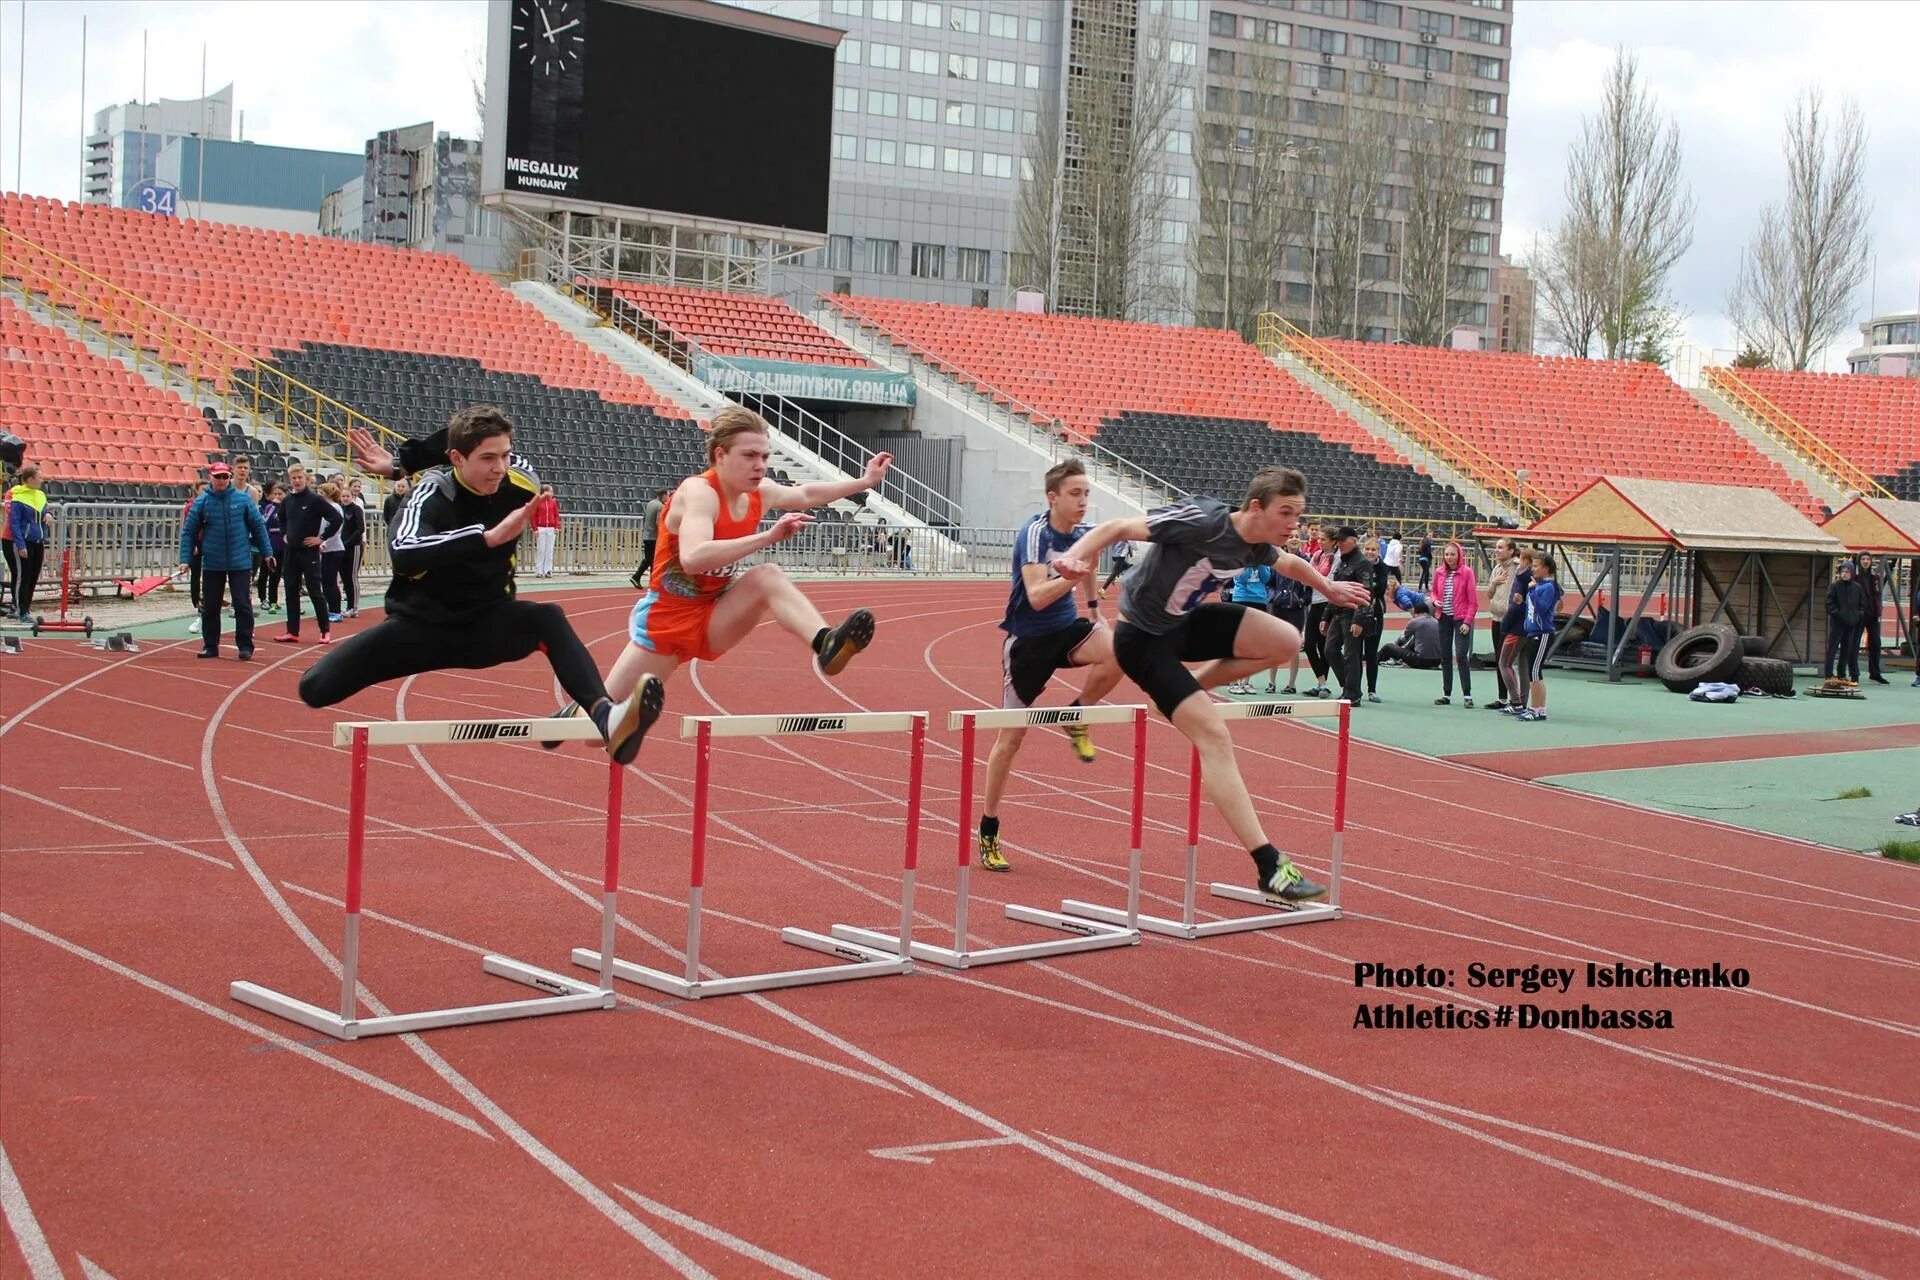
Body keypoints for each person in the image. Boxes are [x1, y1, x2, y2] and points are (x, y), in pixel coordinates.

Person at [1057, 468, 1371, 903]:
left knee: (1286, 640)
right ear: (1255, 508)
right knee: (1215, 738)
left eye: (1298, 515)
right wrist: (1073, 557)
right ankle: (1269, 866)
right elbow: (1116, 527)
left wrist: (1328, 587)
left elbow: (1291, 564)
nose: (1294, 524)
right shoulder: (1204, 520)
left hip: (1185, 625)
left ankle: (1184, 693)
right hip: (1143, 640)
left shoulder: (1259, 544)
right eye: (1286, 513)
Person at [305, 408, 658, 765]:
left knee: (547, 617)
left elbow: (464, 434)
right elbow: (403, 552)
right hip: (419, 630)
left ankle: (605, 717)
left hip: (488, 628)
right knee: (314, 688)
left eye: (505, 455)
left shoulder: (521, 479)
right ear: (456, 459)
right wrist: (483, 538)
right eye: (488, 458)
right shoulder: (430, 493)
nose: (500, 467)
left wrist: (400, 465)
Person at [552, 406, 888, 733]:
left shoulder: (760, 493)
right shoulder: (699, 493)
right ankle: (570, 719)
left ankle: (825, 643)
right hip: (666, 622)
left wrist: (864, 481)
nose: (760, 466)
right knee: (597, 731)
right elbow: (694, 558)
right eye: (749, 456)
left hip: (713, 615)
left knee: (766, 577)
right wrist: (768, 536)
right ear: (720, 455)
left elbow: (804, 493)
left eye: (765, 457)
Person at [975, 459, 1127, 873]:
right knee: (1010, 740)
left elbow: (1090, 563)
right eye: (1075, 494)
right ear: (1053, 497)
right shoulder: (1035, 534)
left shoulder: (1081, 535)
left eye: (1086, 493)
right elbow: (1038, 595)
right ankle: (989, 827)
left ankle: (1076, 714)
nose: (1083, 501)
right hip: (1027, 645)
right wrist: (1071, 578)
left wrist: (1095, 608)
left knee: (1118, 650)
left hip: (1065, 633)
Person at [177, 461, 274, 660]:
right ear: (210, 477)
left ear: (229, 478)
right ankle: (210, 645)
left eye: (225, 477)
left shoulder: (243, 500)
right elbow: (189, 532)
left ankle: (245, 646)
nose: (222, 480)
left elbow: (258, 528)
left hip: (240, 561)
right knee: (211, 606)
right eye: (218, 477)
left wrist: (267, 553)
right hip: (213, 561)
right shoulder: (202, 502)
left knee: (242, 605)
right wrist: (185, 559)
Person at [273, 463, 341, 644]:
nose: (296, 481)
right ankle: (292, 631)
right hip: (291, 552)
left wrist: (322, 538)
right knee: (290, 591)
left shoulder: (315, 500)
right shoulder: (287, 500)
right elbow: (280, 518)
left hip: (309, 552)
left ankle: (325, 630)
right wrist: (284, 533)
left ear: (306, 479)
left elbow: (336, 518)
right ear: (290, 480)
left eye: (299, 478)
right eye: (293, 478)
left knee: (314, 591)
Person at [1513, 553, 1563, 722]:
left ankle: (1534, 709)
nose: (1533, 569)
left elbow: (1542, 608)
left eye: (1536, 566)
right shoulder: (1541, 586)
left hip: (1542, 634)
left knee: (1534, 672)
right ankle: (1540, 709)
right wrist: (1524, 601)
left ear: (1546, 568)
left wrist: (1532, 590)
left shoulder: (1547, 587)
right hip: (1533, 632)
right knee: (1535, 672)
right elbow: (1534, 608)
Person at [1430, 540, 1479, 707]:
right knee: (1445, 656)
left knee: (1461, 655)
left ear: (1459, 555)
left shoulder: (1467, 573)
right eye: (1447, 554)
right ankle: (1446, 694)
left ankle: (1467, 695)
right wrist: (1435, 601)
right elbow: (1434, 592)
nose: (1449, 557)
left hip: (1461, 619)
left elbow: (1473, 601)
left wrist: (1467, 621)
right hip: (1444, 618)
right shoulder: (1439, 572)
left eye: (1453, 554)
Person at [1263, 532, 1311, 694]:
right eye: (1291, 536)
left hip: (1296, 609)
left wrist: (1303, 600)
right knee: (1274, 645)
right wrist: (1273, 596)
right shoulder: (1277, 558)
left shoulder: (1306, 560)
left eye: (1297, 536)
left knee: (1295, 647)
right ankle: (1272, 682)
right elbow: (1269, 583)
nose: (1294, 539)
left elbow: (1311, 584)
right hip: (1277, 607)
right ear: (1286, 540)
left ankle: (1291, 684)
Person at [1491, 549, 1535, 713]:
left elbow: (1515, 605)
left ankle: (1516, 701)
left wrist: (1506, 625)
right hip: (1528, 627)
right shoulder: (1534, 579)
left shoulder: (1522, 577)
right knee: (1523, 664)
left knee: (1504, 663)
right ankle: (1522, 701)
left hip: (1517, 627)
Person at [1225, 559, 1279, 694]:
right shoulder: (1240, 556)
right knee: (1239, 641)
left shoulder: (1263, 557)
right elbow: (1241, 578)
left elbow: (1266, 578)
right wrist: (1249, 563)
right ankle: (1233, 681)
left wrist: (1259, 562)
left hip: (1259, 600)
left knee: (1253, 643)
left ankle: (1246, 681)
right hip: (1241, 598)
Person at [6, 464, 49, 621]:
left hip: (38, 541)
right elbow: (15, 523)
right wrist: (21, 544)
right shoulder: (18, 497)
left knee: (33, 577)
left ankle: (27, 609)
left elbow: (45, 511)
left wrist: (48, 514)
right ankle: (20, 609)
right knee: (22, 577)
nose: (42, 480)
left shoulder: (40, 496)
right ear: (30, 479)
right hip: (24, 541)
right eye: (39, 477)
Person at [1824, 559, 1865, 684]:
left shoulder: (1857, 588)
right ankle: (1829, 674)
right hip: (1837, 623)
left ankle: (1841, 674)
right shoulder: (1835, 586)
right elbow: (1829, 604)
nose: (1844, 574)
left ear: (1852, 573)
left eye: (1847, 571)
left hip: (1851, 624)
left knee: (1846, 650)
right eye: (1842, 571)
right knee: (1832, 648)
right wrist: (1839, 615)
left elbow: (1862, 605)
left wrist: (1857, 616)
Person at [1855, 552, 1888, 684]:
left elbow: (1877, 595)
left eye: (1868, 559)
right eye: (1863, 559)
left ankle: (1875, 673)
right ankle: (1854, 673)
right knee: (1854, 643)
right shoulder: (1855, 578)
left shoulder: (1875, 578)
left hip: (1872, 614)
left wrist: (1878, 609)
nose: (1865, 561)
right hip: (1859, 614)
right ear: (1859, 561)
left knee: (1875, 642)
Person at [1380, 601, 1443, 669]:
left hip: (1421, 660)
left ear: (1416, 613)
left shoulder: (1415, 621)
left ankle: (1374, 659)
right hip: (1437, 661)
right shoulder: (1436, 622)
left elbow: (1402, 639)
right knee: (1416, 638)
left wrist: (1395, 650)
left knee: (1388, 647)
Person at [257, 481, 287, 613]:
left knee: (277, 573)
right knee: (265, 571)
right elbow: (265, 522)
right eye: (275, 493)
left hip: (283, 543)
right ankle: (263, 598)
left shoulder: (288, 507)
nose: (277, 496)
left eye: (280, 494)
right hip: (270, 543)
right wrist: (274, 505)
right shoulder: (270, 507)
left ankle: (273, 600)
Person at [631, 487, 668, 589]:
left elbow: (644, 518)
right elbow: (658, 522)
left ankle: (652, 581)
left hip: (647, 535)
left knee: (651, 559)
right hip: (654, 537)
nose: (667, 498)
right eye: (667, 496)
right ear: (663, 495)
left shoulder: (650, 503)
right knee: (651, 559)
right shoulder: (660, 506)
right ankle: (637, 576)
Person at [530, 483, 561, 578]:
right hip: (541, 528)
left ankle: (548, 570)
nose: (552, 493)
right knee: (541, 550)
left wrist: (557, 526)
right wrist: (535, 528)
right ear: (545, 492)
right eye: (551, 491)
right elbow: (533, 516)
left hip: (551, 528)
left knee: (549, 550)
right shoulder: (537, 502)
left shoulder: (553, 502)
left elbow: (556, 515)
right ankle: (539, 571)